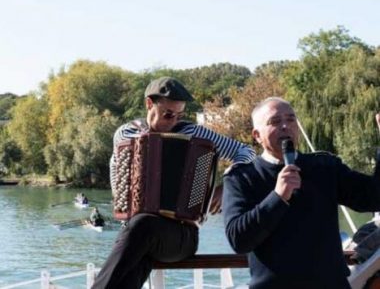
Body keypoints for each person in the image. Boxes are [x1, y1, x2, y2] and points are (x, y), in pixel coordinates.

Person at [92, 76, 255, 289]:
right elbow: (118, 172)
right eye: (168, 114)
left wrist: (228, 184)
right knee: (133, 257)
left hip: (181, 235)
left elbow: (247, 152)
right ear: (149, 104)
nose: (174, 121)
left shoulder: (194, 133)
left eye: (179, 115)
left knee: (141, 227)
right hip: (137, 234)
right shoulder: (127, 134)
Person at [223, 97, 380, 289]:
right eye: (275, 121)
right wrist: (278, 197)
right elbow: (239, 241)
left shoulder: (325, 167)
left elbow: (373, 197)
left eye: (290, 119)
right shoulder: (242, 178)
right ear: (257, 135)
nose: (285, 126)